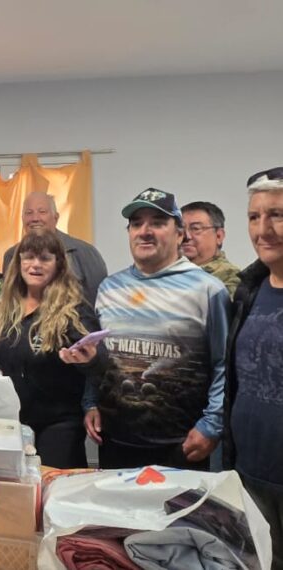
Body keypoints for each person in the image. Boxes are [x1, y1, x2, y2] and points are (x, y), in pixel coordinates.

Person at [87, 188, 229, 470]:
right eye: (136, 223)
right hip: (115, 441)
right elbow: (97, 354)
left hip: (182, 444)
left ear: (179, 234)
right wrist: (89, 403)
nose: (145, 231)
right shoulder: (109, 288)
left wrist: (212, 425)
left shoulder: (208, 290)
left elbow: (223, 364)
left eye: (158, 222)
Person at [0, 232, 107, 468]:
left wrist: (88, 359)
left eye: (45, 258)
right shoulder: (4, 306)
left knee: (53, 484)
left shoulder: (74, 308)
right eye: (29, 257)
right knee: (14, 486)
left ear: (58, 264)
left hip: (59, 423)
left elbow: (100, 359)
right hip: (11, 419)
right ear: (19, 263)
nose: (35, 264)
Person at [223, 167, 283, 567]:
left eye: (277, 215)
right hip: (250, 472)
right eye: (254, 216)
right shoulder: (248, 290)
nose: (264, 230)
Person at [2, 192, 107, 305]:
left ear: (56, 218)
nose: (35, 218)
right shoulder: (11, 256)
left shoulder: (83, 252)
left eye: (42, 212)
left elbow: (98, 302)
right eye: (29, 213)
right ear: (22, 219)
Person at [181, 201, 241, 296]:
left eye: (196, 229)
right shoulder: (167, 273)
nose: (186, 236)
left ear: (219, 236)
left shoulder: (231, 278)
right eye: (181, 229)